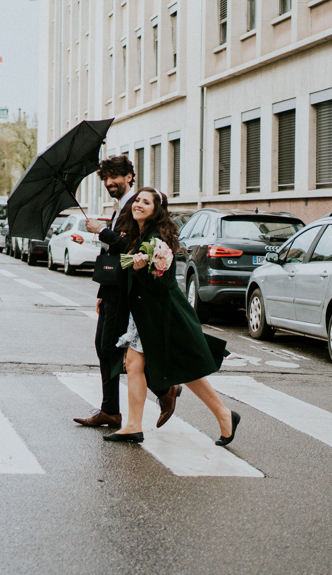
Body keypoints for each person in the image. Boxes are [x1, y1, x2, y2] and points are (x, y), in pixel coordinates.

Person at [104, 187, 241, 446]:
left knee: (186, 368)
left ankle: (224, 415)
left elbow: (160, 286)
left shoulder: (158, 242)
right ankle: (134, 425)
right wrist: (130, 266)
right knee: (135, 364)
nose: (139, 205)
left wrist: (140, 269)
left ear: (156, 210)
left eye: (146, 202)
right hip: (144, 315)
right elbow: (128, 273)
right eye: (137, 200)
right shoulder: (140, 235)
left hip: (161, 315)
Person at [74, 155, 179, 430]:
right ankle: (114, 408)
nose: (109, 182)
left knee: (115, 349)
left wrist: (102, 231)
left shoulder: (137, 204)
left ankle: (159, 390)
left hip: (126, 292)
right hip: (112, 289)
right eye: (106, 178)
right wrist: (101, 290)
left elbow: (130, 245)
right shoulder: (120, 206)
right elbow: (113, 253)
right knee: (106, 347)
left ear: (129, 177)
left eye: (114, 177)